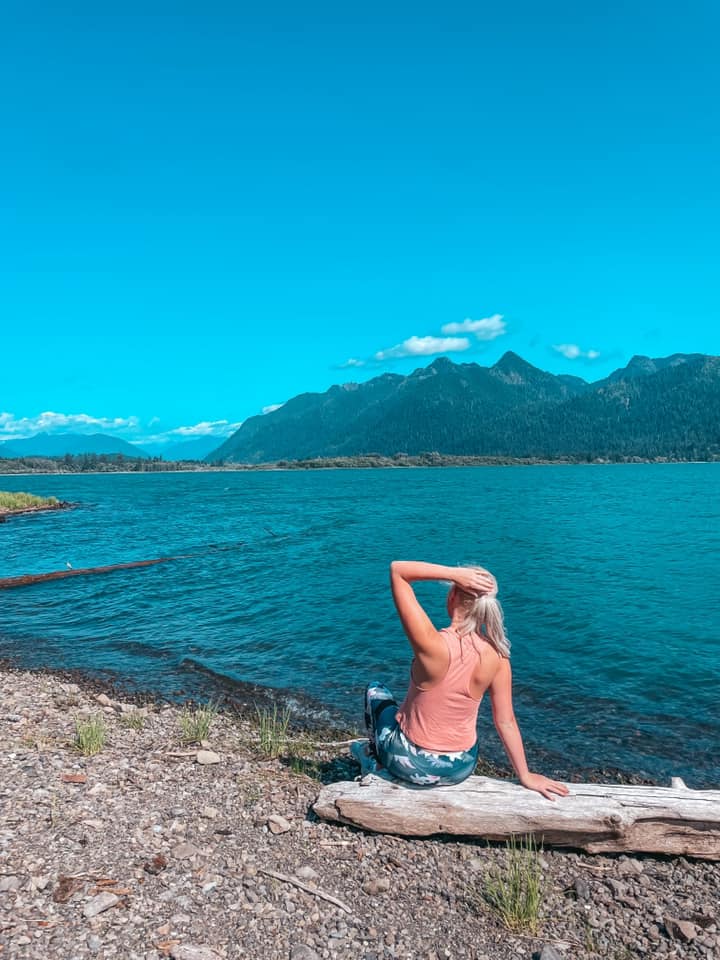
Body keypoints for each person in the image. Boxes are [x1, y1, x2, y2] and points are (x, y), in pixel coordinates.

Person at [363, 560, 569, 801]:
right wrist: (525, 775)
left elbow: (398, 570)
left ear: (452, 596)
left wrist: (454, 573)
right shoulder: (499, 657)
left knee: (376, 691)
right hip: (461, 766)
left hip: (412, 764)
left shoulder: (433, 645)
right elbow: (506, 721)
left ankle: (375, 760)